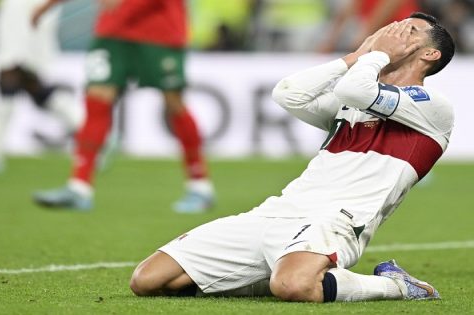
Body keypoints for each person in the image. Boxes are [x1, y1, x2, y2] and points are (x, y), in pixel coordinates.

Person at [129, 13, 455, 302]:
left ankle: (396, 286)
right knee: (149, 279)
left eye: (408, 30)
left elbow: (357, 91)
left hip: (335, 220)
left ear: (430, 54)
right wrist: (358, 55)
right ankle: (276, 275)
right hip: (277, 211)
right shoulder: (352, 101)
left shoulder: (431, 107)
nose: (393, 33)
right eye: (392, 27)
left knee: (295, 286)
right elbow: (288, 94)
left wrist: (378, 55)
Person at [31, 0, 215, 213]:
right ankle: (79, 187)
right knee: (96, 100)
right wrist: (47, 6)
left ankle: (200, 186)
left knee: (174, 103)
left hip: (159, 30)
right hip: (112, 31)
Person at [0, 0, 83, 175]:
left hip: (24, 8)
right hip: (32, 8)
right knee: (30, 82)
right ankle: (92, 132)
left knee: (10, 72)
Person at [318, 0, 419, 53]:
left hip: (403, 30)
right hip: (381, 33)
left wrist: (365, 35)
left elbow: (387, 7)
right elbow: (348, 10)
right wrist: (330, 40)